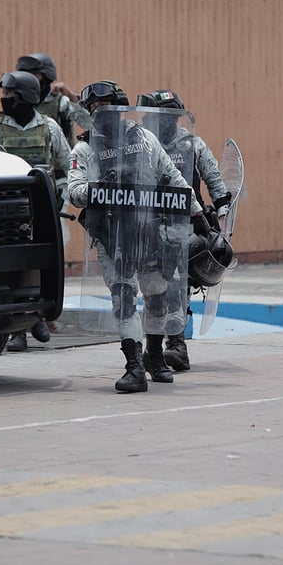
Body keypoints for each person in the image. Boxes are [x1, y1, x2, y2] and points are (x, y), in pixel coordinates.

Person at [68, 80, 211, 393]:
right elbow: (74, 190)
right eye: (93, 108)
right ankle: (133, 366)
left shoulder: (144, 139)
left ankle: (155, 356)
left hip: (148, 230)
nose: (99, 112)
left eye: (105, 106)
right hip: (110, 234)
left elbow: (173, 177)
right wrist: (97, 189)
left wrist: (198, 215)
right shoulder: (85, 147)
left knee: (157, 294)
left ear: (120, 107)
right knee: (124, 298)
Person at [136, 89, 231, 372]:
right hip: (151, 225)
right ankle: (154, 347)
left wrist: (222, 223)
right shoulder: (141, 144)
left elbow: (215, 181)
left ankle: (176, 345)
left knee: (177, 285)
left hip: (188, 225)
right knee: (154, 288)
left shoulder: (193, 145)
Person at [0, 70, 71, 352]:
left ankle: (36, 317)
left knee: (40, 265)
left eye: (10, 95)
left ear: (25, 97)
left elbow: (67, 165)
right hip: (9, 210)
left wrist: (62, 196)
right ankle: (18, 328)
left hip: (42, 208)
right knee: (12, 267)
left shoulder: (49, 127)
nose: (5, 100)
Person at [16, 53, 91, 147]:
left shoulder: (61, 103)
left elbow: (89, 124)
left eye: (34, 75)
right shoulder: (17, 102)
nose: (30, 80)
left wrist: (71, 97)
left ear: (46, 76)